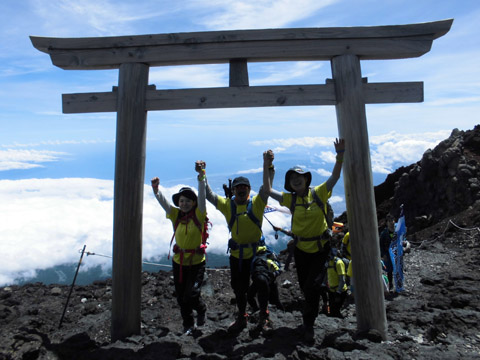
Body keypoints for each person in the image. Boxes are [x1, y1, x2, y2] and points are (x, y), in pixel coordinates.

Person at [263, 138, 345, 342]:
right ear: (289, 184)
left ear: (306, 179)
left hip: (320, 249)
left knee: (312, 286)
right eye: (292, 179)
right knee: (305, 286)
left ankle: (309, 324)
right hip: (301, 250)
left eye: (299, 177)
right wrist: (267, 165)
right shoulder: (290, 199)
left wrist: (340, 155)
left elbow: (335, 177)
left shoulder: (319, 193)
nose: (296, 180)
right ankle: (313, 310)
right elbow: (267, 189)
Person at [205, 163, 273, 333]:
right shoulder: (228, 205)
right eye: (238, 188)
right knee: (239, 289)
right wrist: (202, 175)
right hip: (237, 254)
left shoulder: (257, 203)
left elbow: (266, 188)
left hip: (257, 251)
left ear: (249, 190)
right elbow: (209, 195)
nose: (241, 190)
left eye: (244, 187)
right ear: (233, 191)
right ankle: (242, 317)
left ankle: (264, 316)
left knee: (262, 280)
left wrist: (268, 166)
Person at [151, 161, 207, 335]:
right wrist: (156, 191)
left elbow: (203, 197)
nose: (184, 203)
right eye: (181, 201)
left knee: (192, 294)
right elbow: (166, 204)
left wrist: (201, 177)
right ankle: (188, 325)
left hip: (197, 262)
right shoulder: (176, 215)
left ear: (194, 202)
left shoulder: (199, 214)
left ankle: (201, 308)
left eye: (188, 201)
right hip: (179, 262)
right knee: (182, 297)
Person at [246, 245, 284, 334]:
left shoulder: (254, 259)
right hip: (269, 281)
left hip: (258, 280)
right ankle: (280, 313)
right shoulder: (268, 259)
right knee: (274, 300)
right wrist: (273, 275)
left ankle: (257, 311)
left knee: (250, 296)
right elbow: (279, 269)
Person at [325, 248, 348, 318]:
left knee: (335, 311)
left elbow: (342, 278)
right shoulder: (328, 262)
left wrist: (338, 292)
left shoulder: (338, 263)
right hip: (332, 290)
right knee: (332, 311)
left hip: (340, 291)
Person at [379, 215, 395, 292]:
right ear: (387, 223)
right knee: (389, 270)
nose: (391, 222)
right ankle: (391, 284)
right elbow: (380, 244)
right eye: (389, 221)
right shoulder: (384, 233)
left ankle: (399, 284)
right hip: (388, 253)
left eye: (392, 220)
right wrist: (383, 254)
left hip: (396, 253)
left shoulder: (397, 231)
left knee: (398, 268)